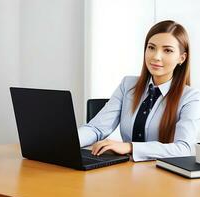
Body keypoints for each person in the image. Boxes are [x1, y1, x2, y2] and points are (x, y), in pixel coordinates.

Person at [78, 20, 200, 161]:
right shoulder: (128, 85)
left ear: (181, 58)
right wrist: (66, 141)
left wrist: (130, 147)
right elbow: (96, 129)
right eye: (151, 47)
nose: (156, 56)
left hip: (165, 176)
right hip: (126, 172)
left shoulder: (191, 97)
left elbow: (183, 148)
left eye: (167, 50)